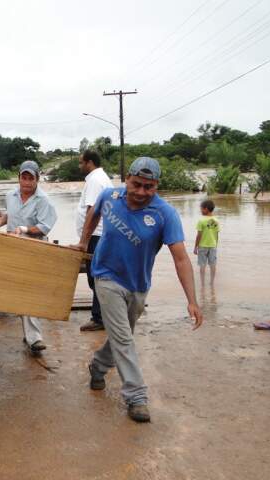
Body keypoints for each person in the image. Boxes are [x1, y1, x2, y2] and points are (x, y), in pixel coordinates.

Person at [74, 157, 203, 423]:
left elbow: (180, 257)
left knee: (123, 336)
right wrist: (83, 242)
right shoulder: (109, 196)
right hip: (105, 276)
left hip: (138, 285)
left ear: (156, 186)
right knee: (124, 339)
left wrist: (192, 300)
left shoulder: (164, 213)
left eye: (149, 187)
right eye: (136, 184)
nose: (141, 192)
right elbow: (93, 214)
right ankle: (137, 396)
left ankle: (97, 367)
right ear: (127, 179)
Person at [0, 160, 57, 354]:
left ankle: (34, 338)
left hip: (35, 248)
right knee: (17, 289)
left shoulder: (43, 200)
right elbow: (10, 215)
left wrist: (24, 229)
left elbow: (44, 226)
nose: (26, 182)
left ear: (37, 179)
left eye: (31, 178)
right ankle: (29, 331)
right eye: (23, 177)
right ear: (19, 177)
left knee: (30, 290)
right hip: (13, 247)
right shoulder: (11, 195)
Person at [76, 150, 113, 332]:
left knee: (96, 277)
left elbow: (93, 211)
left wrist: (84, 240)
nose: (79, 166)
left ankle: (99, 318)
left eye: (81, 162)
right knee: (98, 276)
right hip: (99, 235)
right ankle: (105, 314)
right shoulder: (100, 178)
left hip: (96, 236)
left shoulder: (95, 180)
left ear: (89, 162)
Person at [193, 199, 220, 286]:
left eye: (201, 208)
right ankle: (212, 282)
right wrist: (216, 244)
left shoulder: (201, 221)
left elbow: (199, 235)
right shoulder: (216, 220)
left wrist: (195, 247)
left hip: (202, 246)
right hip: (213, 245)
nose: (200, 210)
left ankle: (202, 283)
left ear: (206, 209)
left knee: (202, 265)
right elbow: (216, 234)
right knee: (213, 264)